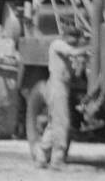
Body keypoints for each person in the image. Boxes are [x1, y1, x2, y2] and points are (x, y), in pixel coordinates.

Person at [34, 23, 87, 170]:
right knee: (62, 123)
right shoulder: (58, 44)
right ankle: (57, 159)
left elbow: (76, 72)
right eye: (74, 37)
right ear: (67, 36)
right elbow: (74, 52)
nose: (75, 41)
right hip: (57, 87)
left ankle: (41, 157)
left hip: (62, 87)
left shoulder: (66, 49)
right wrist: (88, 49)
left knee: (54, 123)